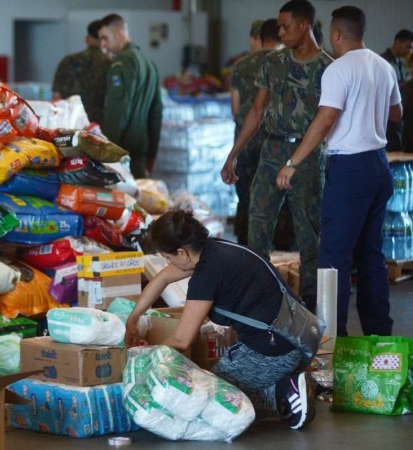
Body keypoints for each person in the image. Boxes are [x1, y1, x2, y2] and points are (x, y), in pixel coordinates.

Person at [125, 209, 315, 430]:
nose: (169, 264)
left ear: (182, 252)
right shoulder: (215, 250)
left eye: (168, 258)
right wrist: (133, 319)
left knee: (198, 401)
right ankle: (288, 383)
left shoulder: (206, 275)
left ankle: (283, 393)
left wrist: (141, 360)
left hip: (274, 352)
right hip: (299, 337)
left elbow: (181, 340)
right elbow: (163, 278)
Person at [276, 6, 401, 337]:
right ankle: (379, 335)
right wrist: (367, 114)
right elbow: (396, 113)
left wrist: (293, 162)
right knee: (371, 255)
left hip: (350, 169)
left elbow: (326, 118)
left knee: (333, 259)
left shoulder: (338, 70)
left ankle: (333, 341)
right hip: (378, 164)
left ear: (335, 34)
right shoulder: (384, 66)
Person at [221, 0, 333, 313]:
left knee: (308, 234)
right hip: (271, 149)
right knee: (257, 226)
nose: (280, 32)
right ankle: (261, 300)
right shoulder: (273, 62)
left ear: (305, 25)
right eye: (278, 26)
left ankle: (312, 308)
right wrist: (233, 154)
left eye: (286, 26)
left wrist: (300, 160)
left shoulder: (328, 68)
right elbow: (256, 111)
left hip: (307, 156)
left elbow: (330, 121)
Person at [230, 18, 286, 245]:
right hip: (278, 143)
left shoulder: (241, 65)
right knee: (280, 199)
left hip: (246, 143)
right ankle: (283, 256)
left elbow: (235, 109)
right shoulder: (287, 63)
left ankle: (246, 250)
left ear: (260, 38)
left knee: (246, 198)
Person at [98, 13, 163, 179]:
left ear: (120, 34)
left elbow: (118, 110)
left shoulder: (122, 63)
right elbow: (156, 113)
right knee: (140, 200)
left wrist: (105, 151)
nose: (103, 45)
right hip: (140, 151)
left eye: (105, 38)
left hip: (120, 152)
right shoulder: (149, 64)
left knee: (120, 202)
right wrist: (152, 154)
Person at [51, 20, 111, 125]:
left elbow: (56, 99)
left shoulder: (68, 61)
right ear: (105, 40)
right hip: (101, 126)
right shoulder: (111, 65)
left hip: (71, 125)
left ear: (87, 40)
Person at [380, 29, 413, 151]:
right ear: (398, 42)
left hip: (401, 118)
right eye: (407, 46)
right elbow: (386, 88)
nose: (409, 51)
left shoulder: (402, 64)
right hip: (388, 118)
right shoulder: (383, 62)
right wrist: (408, 82)